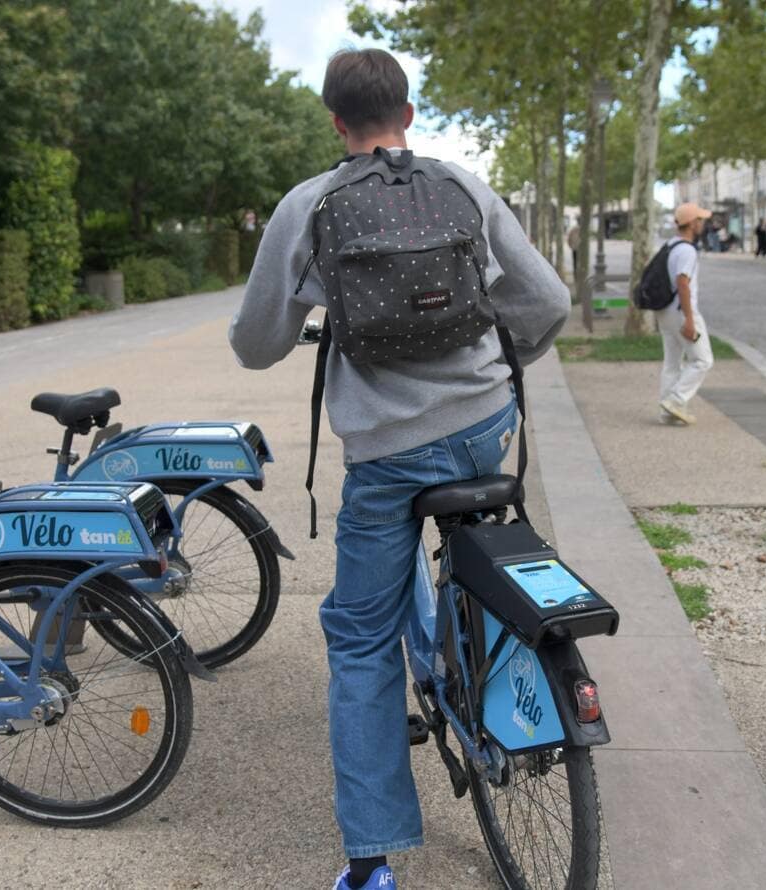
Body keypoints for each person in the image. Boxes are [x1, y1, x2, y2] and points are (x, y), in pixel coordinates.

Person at [227, 48, 569, 890]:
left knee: (359, 636)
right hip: (484, 427)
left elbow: (256, 344)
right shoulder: (463, 186)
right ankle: (491, 673)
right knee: (478, 562)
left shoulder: (307, 205)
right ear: (408, 114)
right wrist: (499, 359)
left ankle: (372, 858)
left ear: (335, 122)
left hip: (384, 457)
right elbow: (548, 303)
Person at [657, 203, 715, 425]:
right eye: (700, 220)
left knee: (672, 362)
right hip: (681, 311)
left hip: (665, 310)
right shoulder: (687, 250)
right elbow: (683, 283)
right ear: (691, 223)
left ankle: (667, 410)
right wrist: (690, 319)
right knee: (702, 360)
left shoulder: (671, 245)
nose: (702, 224)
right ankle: (676, 400)